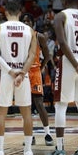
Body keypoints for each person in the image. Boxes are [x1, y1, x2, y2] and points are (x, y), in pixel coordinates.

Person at [0, 1, 37, 155]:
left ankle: (0, 152)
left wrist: (10, 71)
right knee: (26, 113)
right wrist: (21, 73)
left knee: (1, 112)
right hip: (23, 76)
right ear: (20, 12)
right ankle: (29, 152)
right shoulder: (30, 30)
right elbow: (32, 56)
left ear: (5, 12)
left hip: (6, 74)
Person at [49, 0, 78, 155]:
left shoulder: (60, 16)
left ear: (64, 1)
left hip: (70, 63)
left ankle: (60, 149)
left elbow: (62, 42)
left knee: (61, 105)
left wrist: (75, 64)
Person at [20, 13, 53, 146]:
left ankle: (48, 133)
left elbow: (47, 56)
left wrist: (41, 67)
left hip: (34, 72)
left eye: (28, 21)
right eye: (24, 21)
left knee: (39, 104)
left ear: (33, 23)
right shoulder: (18, 37)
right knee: (25, 106)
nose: (26, 23)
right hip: (22, 73)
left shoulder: (39, 37)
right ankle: (30, 136)